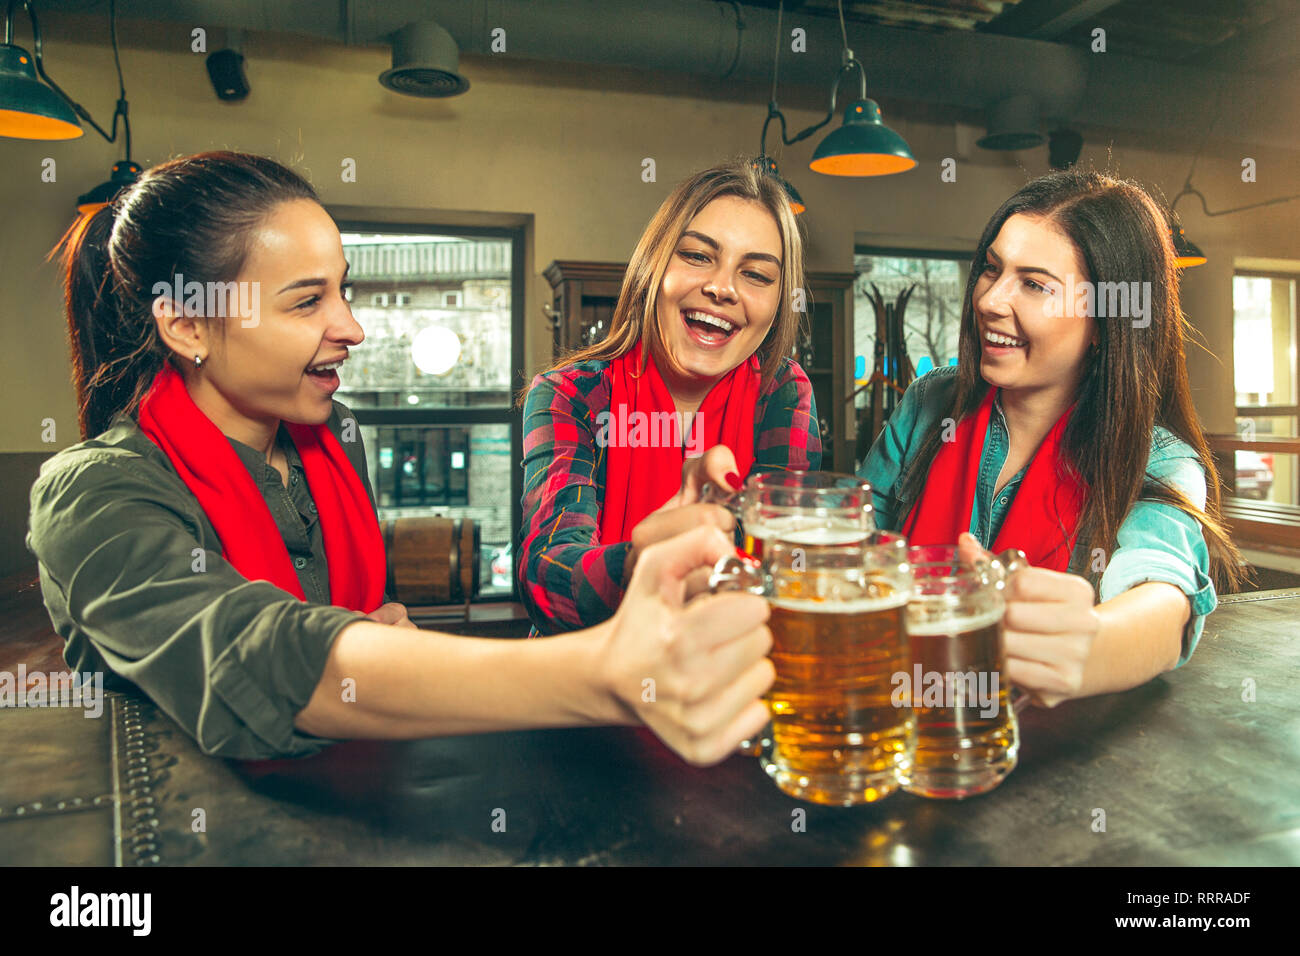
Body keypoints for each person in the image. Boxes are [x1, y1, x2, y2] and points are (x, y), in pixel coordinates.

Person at [26, 151, 775, 765]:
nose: (351, 327)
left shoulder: (334, 439)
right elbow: (254, 656)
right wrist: (603, 675)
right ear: (188, 324)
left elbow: (359, 628)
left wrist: (382, 634)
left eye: (343, 292)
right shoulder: (94, 492)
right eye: (305, 302)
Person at [860, 167, 1247, 708]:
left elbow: (1162, 596)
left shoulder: (1157, 460)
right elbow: (851, 544)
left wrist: (1090, 647)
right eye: (991, 270)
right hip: (895, 720)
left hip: (1038, 752)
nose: (991, 299)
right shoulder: (929, 404)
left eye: (1035, 284)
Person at [519, 159, 822, 636]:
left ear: (779, 302)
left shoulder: (782, 392)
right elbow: (547, 578)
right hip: (586, 694)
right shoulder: (570, 395)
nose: (721, 288)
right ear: (653, 266)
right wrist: (644, 563)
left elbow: (785, 562)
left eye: (757, 275)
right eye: (698, 256)